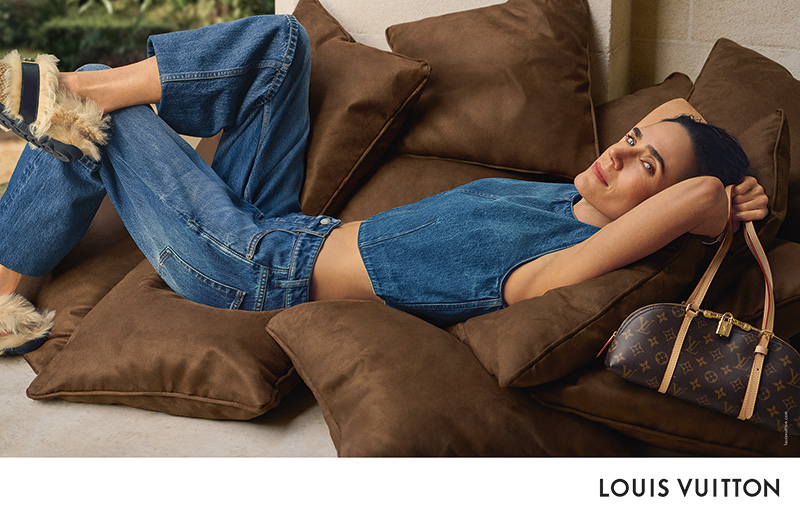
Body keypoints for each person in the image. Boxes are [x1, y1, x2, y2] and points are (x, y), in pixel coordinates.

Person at [0, 15, 769, 353]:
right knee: (283, 45)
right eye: (629, 143)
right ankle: (73, 94)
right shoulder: (571, 194)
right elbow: (677, 114)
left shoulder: (563, 260)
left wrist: (722, 202)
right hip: (280, 223)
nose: (620, 154)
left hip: (248, 266)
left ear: (665, 208)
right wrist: (688, 160)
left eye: (645, 168)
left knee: (93, 105)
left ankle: (7, 283)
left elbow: (696, 190)